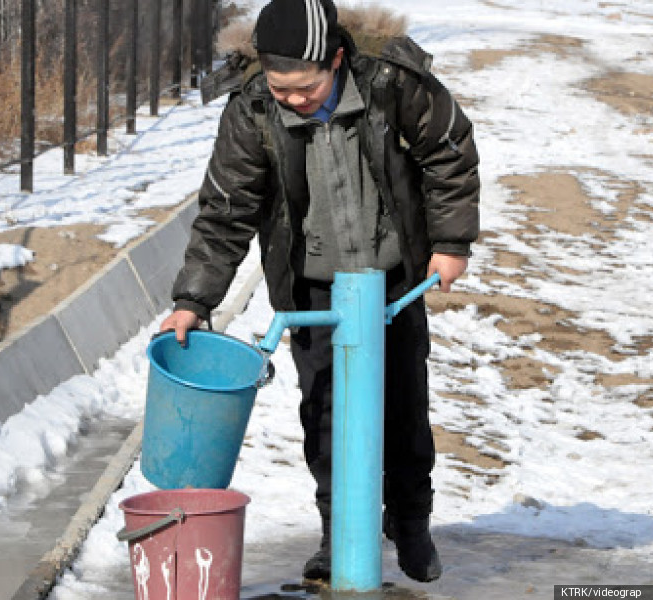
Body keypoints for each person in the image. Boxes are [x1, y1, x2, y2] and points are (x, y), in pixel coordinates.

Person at [159, 0, 480, 583]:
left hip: (393, 280)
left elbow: (448, 150)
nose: (294, 100)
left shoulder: (391, 81)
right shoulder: (253, 107)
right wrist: (193, 299)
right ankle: (339, 533)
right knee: (325, 413)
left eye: (306, 88)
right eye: (283, 88)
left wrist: (452, 242)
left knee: (403, 407)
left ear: (335, 59)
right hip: (313, 288)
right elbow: (227, 209)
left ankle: (411, 521)